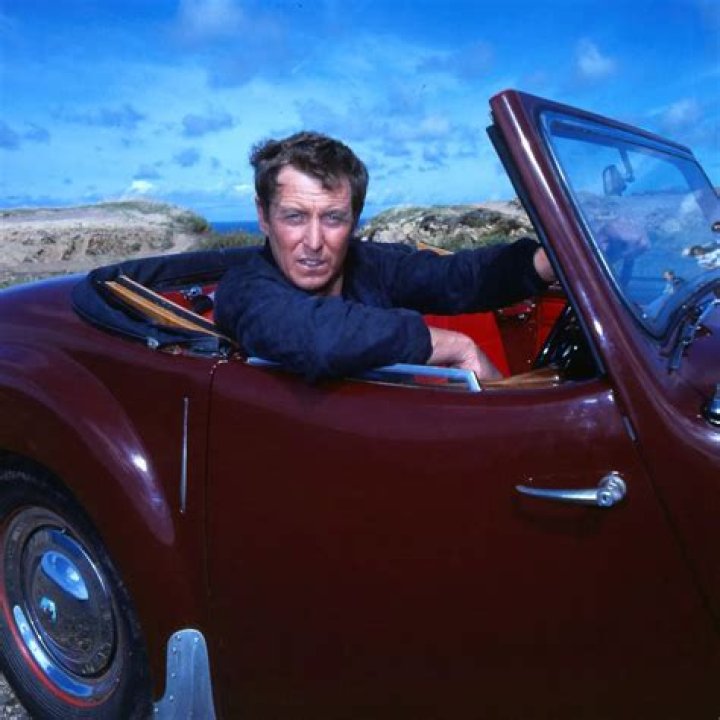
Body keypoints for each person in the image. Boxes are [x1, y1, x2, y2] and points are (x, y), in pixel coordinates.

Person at [215, 131, 555, 383]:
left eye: (333, 218)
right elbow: (319, 337)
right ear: (264, 217)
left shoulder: (370, 264)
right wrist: (456, 345)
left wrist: (543, 263)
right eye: (294, 217)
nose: (314, 241)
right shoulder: (244, 290)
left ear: (354, 220)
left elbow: (454, 277)